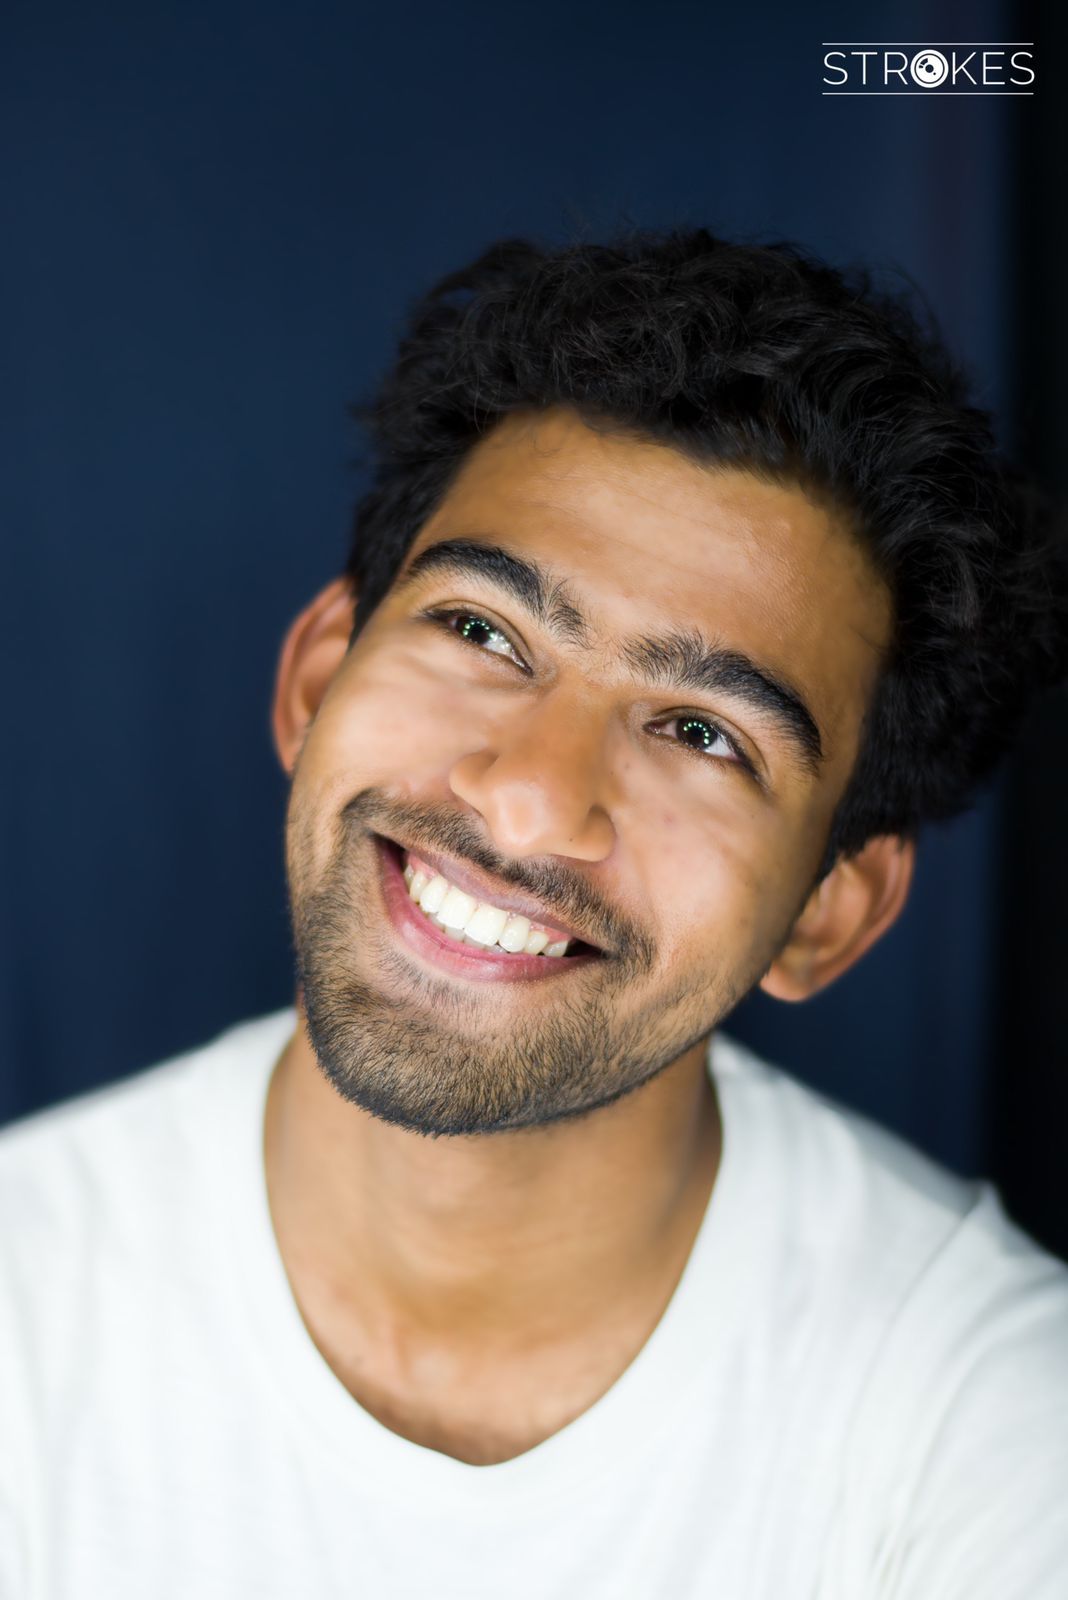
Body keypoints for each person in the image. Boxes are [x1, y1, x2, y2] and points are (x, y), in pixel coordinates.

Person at [2, 227, 1067, 1599]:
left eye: (700, 732)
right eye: (485, 634)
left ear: (829, 912)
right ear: (319, 678)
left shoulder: (993, 1446)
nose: (527, 802)